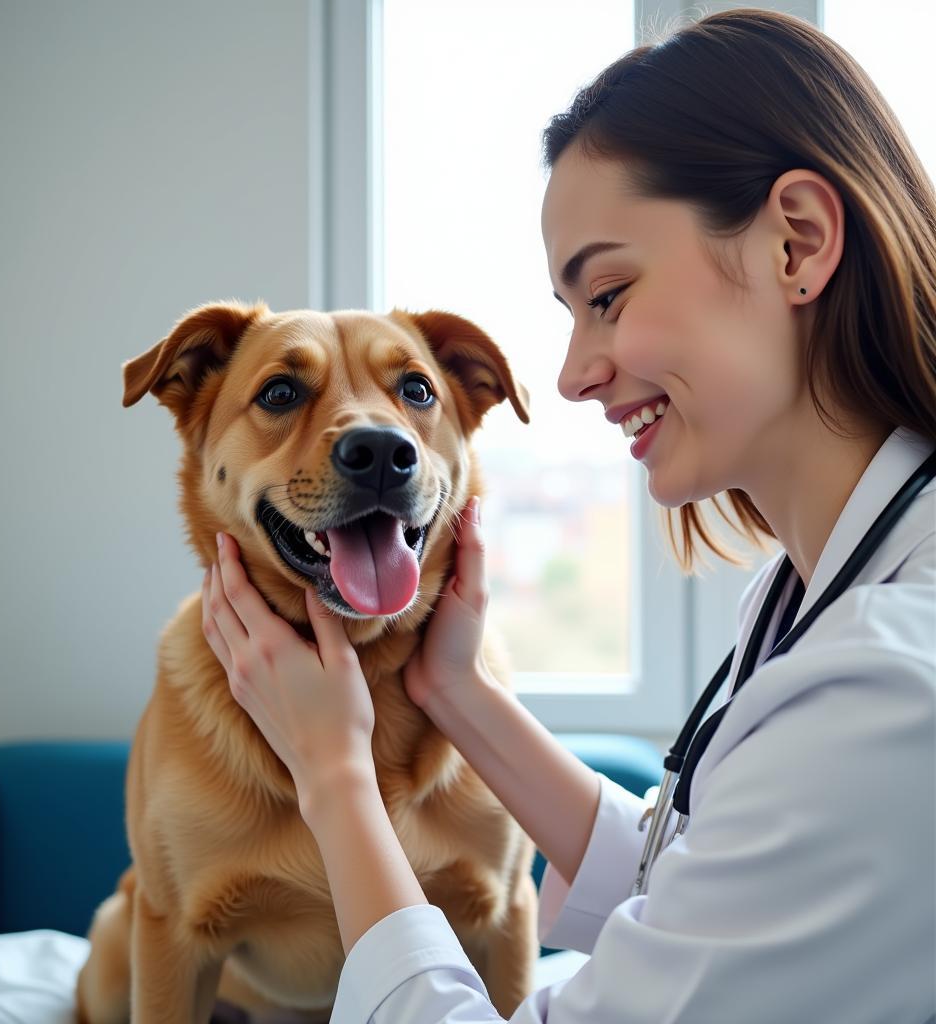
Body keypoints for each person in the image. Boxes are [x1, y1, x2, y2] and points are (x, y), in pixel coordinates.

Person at [202, 7, 936, 1022]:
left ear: (796, 242)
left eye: (609, 293)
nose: (575, 373)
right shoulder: (811, 591)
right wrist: (453, 687)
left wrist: (331, 773)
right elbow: (702, 883)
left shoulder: (886, 684)